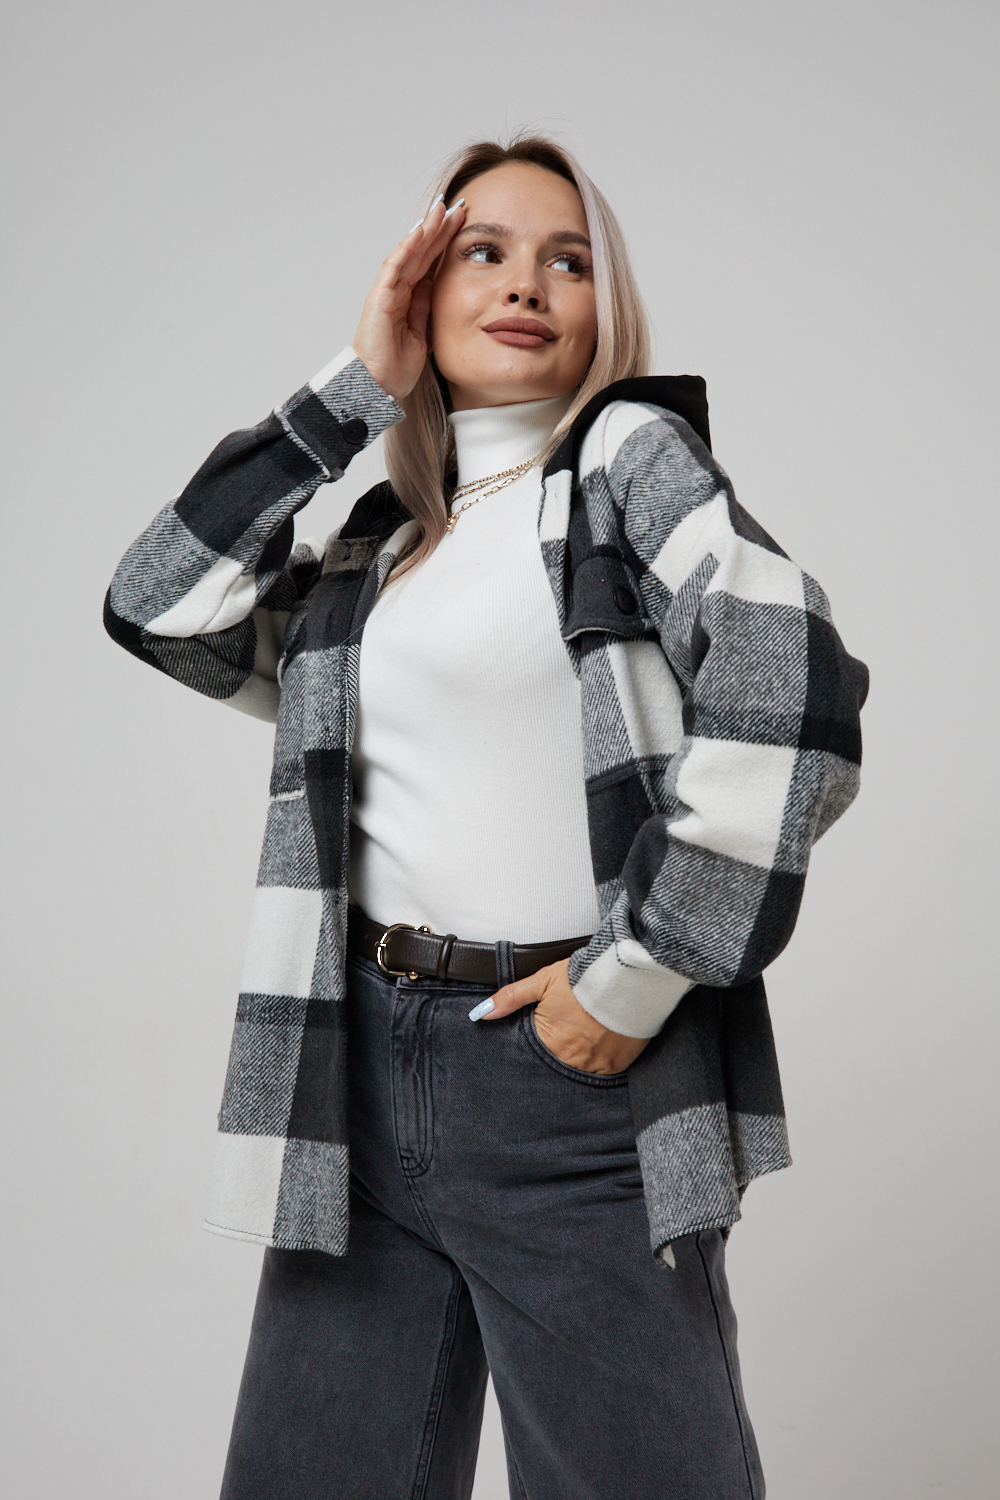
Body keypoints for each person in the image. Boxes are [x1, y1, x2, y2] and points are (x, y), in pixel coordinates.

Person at [105, 134, 868, 1500]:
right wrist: (352, 392)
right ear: (421, 289)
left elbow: (794, 682)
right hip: (356, 1066)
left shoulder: (622, 464)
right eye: (483, 252)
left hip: (566, 1083)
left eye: (567, 260)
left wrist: (635, 980)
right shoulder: (382, 544)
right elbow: (157, 603)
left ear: (604, 305)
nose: (526, 284)